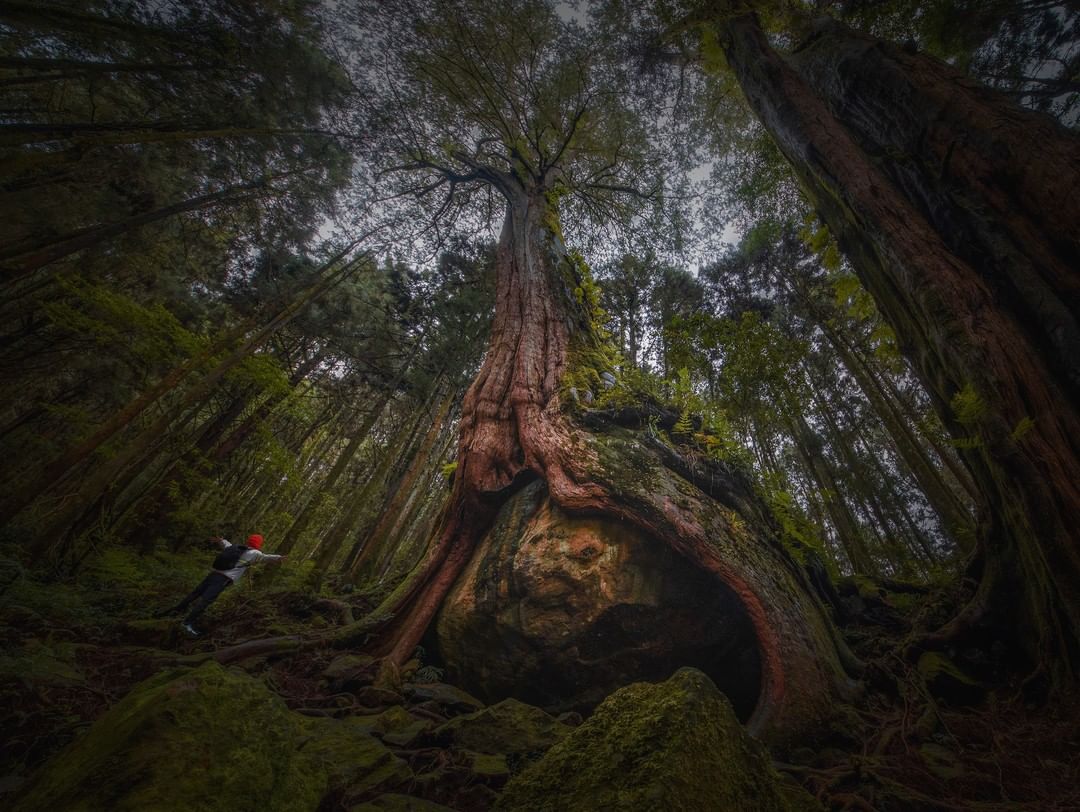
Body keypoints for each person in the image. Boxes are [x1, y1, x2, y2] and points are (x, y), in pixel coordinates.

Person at [166, 534, 286, 636]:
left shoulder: (235, 547)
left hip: (213, 574)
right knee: (206, 600)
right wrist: (279, 558)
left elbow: (226, 544)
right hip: (223, 579)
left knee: (195, 593)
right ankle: (187, 623)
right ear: (259, 543)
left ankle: (176, 612)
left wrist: (221, 540)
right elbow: (266, 558)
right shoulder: (255, 553)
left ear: (249, 541)